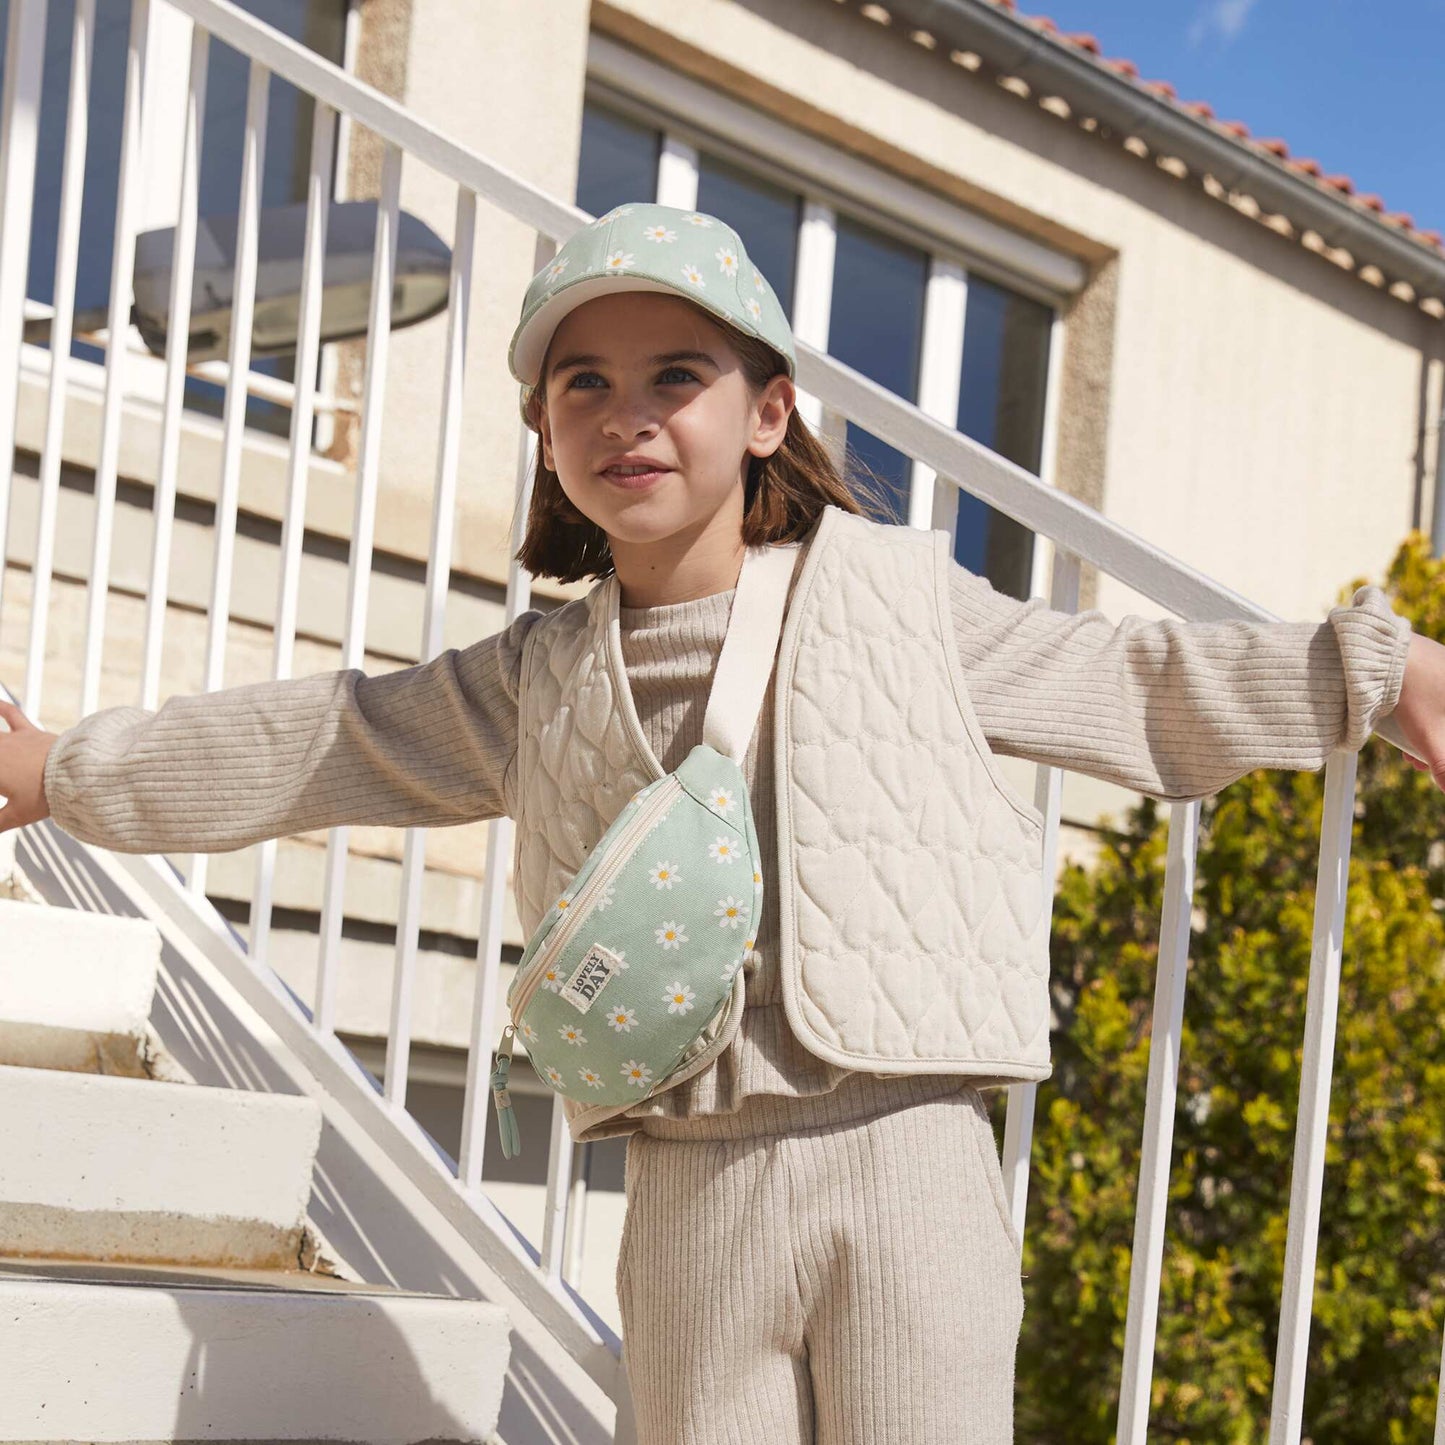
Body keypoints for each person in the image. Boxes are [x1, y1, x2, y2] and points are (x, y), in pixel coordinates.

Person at [2, 200, 1443, 1443]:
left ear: (766, 413)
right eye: (581, 385)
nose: (624, 413)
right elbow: (325, 739)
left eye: (675, 374)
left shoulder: (893, 596)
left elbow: (1132, 682)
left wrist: (1377, 669)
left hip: (910, 1157)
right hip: (689, 1185)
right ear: (545, 437)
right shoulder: (537, 675)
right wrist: (66, 770)